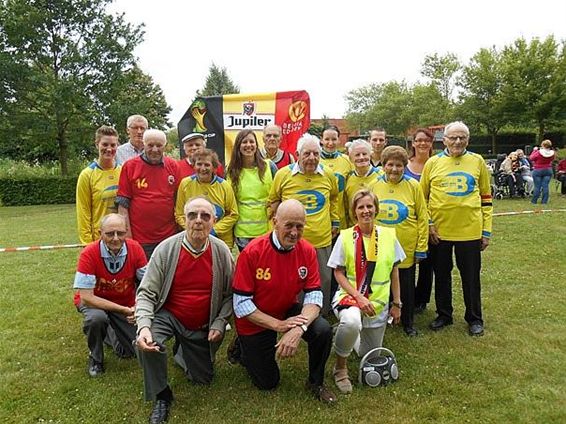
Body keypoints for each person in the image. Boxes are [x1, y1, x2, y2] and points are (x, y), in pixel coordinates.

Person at [136, 197, 234, 424]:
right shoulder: (166, 249)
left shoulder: (221, 252)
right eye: (192, 215)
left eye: (205, 216)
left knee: (203, 379)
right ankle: (162, 395)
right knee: (147, 345)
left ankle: (183, 349)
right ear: (183, 220)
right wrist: (143, 327)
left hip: (201, 323)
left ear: (214, 221)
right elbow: (146, 293)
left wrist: (220, 322)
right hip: (168, 315)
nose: (198, 221)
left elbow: (231, 295)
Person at [232, 199, 337, 404]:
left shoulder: (307, 250)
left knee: (323, 330)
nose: (294, 232)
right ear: (275, 222)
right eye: (288, 225)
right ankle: (241, 347)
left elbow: (314, 296)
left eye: (299, 226)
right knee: (268, 382)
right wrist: (279, 326)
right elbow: (241, 305)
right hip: (254, 319)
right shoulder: (252, 252)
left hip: (285, 308)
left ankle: (316, 383)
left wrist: (299, 328)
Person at [328, 189, 404, 394]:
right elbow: (338, 273)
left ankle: (343, 332)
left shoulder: (389, 235)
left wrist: (397, 303)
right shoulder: (345, 237)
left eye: (369, 206)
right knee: (352, 322)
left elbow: (395, 271)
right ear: (354, 212)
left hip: (377, 305)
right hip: (351, 298)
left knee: (367, 354)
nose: (366, 211)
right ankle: (340, 368)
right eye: (361, 207)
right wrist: (359, 297)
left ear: (376, 209)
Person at [420, 121, 492, 336]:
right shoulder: (432, 163)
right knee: (441, 274)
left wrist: (486, 230)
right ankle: (444, 314)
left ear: (468, 140)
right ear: (445, 139)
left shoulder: (477, 161)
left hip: (469, 231)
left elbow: (486, 199)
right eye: (453, 137)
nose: (458, 141)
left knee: (471, 277)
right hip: (439, 232)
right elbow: (422, 198)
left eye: (462, 137)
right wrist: (429, 225)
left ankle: (474, 318)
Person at [269, 133, 340, 315]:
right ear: (297, 154)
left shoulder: (328, 175)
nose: (312, 158)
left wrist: (335, 221)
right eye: (307, 153)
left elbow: (334, 198)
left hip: (321, 238)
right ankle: (293, 312)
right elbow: (274, 200)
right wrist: (276, 229)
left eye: (316, 154)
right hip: (292, 241)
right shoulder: (283, 174)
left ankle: (320, 314)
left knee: (323, 279)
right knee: (292, 278)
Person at [73, 214, 147, 377]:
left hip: (126, 303)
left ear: (127, 232)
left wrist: (138, 307)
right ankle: (96, 358)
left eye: (120, 233)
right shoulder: (88, 253)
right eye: (109, 234)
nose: (115, 238)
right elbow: (86, 297)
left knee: (129, 352)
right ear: (100, 233)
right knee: (96, 319)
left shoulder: (135, 248)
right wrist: (123, 310)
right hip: (95, 304)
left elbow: (147, 284)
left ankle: (108, 332)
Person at [373, 146, 428, 336]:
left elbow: (422, 217)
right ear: (383, 165)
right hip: (380, 246)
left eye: (398, 165)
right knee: (381, 282)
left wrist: (421, 247)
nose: (394, 169)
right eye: (390, 165)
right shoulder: (374, 185)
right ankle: (383, 317)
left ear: (405, 166)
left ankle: (408, 322)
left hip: (406, 246)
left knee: (406, 286)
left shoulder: (413, 186)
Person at [116, 129, 180, 260]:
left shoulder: (173, 166)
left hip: (168, 237)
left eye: (159, 145)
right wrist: (128, 238)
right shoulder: (130, 167)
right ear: (143, 144)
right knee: (143, 277)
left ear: (165, 145)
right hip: (140, 239)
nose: (155, 149)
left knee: (168, 277)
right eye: (150, 145)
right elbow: (123, 205)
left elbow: (179, 201)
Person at [175, 149, 238, 248]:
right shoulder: (185, 184)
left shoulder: (224, 186)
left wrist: (213, 230)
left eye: (207, 165)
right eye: (199, 164)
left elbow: (233, 214)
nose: (203, 168)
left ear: (214, 168)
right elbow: (179, 214)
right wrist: (194, 230)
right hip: (194, 239)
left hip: (221, 240)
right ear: (194, 166)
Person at [226, 129, 277, 251]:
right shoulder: (231, 171)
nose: (248, 145)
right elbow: (229, 202)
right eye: (244, 142)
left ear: (256, 145)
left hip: (267, 230)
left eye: (251, 142)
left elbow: (279, 193)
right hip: (243, 233)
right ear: (238, 146)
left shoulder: (269, 167)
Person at [405, 129, 435, 314]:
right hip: (408, 220)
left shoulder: (436, 164)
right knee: (406, 263)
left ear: (431, 143)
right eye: (419, 140)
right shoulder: (405, 165)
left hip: (431, 221)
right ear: (413, 143)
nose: (422, 143)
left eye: (426, 140)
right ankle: (404, 296)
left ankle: (421, 299)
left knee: (427, 263)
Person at [76, 125, 122, 245]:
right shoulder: (87, 175)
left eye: (113, 145)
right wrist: (87, 243)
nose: (109, 149)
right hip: (99, 240)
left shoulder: (124, 172)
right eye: (105, 144)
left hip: (121, 238)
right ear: (97, 144)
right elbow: (83, 212)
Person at [319, 125, 353, 229]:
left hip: (341, 220)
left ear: (339, 140)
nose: (330, 143)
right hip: (319, 219)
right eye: (327, 139)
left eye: (334, 139)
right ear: (321, 140)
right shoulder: (314, 160)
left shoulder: (347, 161)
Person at [343, 139, 381, 226]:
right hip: (355, 230)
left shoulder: (381, 175)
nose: (361, 157)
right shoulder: (348, 178)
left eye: (364, 154)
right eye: (357, 155)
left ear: (370, 155)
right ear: (351, 158)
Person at [529, 139, 555, 204]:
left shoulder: (538, 152)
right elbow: (552, 159)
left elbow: (531, 158)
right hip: (548, 169)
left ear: (543, 145)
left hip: (538, 169)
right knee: (545, 185)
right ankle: (544, 201)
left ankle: (534, 201)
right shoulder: (552, 153)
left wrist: (534, 151)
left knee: (537, 186)